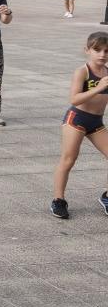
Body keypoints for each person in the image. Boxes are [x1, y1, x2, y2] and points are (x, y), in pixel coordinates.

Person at [50, 31, 108, 220]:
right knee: (68, 160)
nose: (102, 55)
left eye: (106, 51)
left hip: (96, 122)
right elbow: (74, 98)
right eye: (97, 50)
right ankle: (58, 200)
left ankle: (106, 197)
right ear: (87, 50)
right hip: (76, 119)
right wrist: (99, 87)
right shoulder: (82, 71)